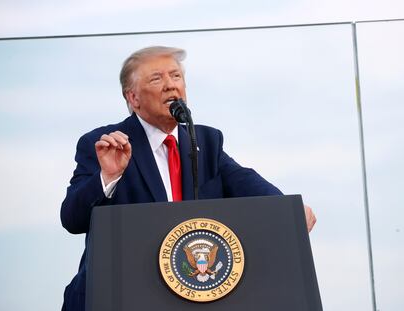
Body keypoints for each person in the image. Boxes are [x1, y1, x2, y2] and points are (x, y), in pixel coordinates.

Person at [60, 46, 316, 311]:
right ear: (133, 97)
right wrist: (108, 176)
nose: (171, 85)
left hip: (186, 297)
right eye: (157, 79)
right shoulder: (105, 144)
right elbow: (71, 218)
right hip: (115, 297)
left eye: (176, 76)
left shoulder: (206, 141)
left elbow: (246, 181)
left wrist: (289, 211)